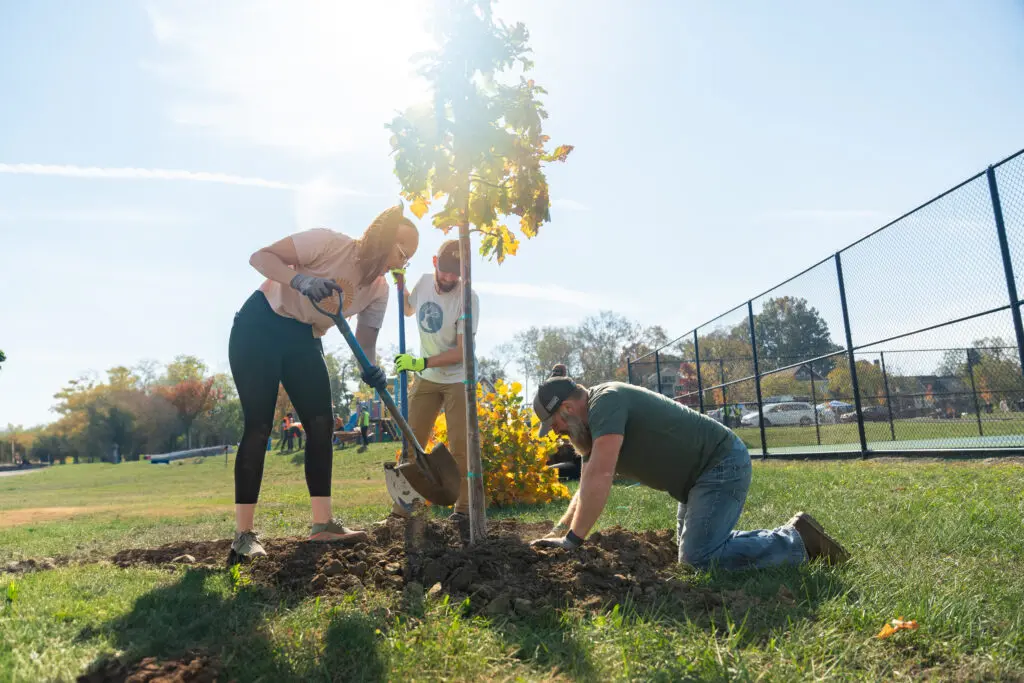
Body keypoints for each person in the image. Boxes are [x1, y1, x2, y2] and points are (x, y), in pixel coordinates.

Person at [227, 205, 418, 561]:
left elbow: (366, 342)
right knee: (258, 425)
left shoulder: (378, 291)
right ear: (385, 237)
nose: (401, 264)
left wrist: (371, 368)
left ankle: (323, 525)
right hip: (259, 325)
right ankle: (243, 535)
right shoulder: (330, 243)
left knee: (321, 422)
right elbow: (260, 257)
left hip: (302, 338)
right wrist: (302, 280)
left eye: (408, 260)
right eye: (403, 253)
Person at [528, 369, 849, 570]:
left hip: (720, 465)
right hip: (699, 480)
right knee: (700, 549)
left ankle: (797, 543)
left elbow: (600, 477)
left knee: (699, 559)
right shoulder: (590, 428)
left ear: (567, 408)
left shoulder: (606, 403)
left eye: (552, 423)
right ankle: (791, 536)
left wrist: (573, 542)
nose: (554, 431)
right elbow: (586, 488)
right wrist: (558, 534)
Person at [388, 239, 480, 526]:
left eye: (456, 272)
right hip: (427, 378)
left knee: (459, 448)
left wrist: (420, 362)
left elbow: (461, 353)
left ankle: (463, 512)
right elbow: (408, 310)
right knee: (411, 443)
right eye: (445, 270)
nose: (449, 277)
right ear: (434, 263)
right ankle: (403, 512)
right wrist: (401, 286)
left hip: (457, 379)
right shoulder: (425, 282)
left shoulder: (468, 298)